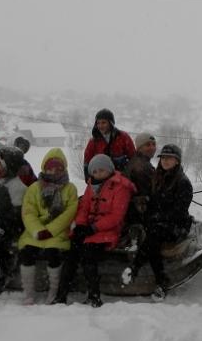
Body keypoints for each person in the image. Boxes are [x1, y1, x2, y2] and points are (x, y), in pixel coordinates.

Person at [60, 154, 135, 307]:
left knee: (88, 254)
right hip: (89, 229)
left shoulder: (121, 186)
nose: (98, 174)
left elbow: (116, 216)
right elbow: (84, 208)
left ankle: (94, 296)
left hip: (108, 230)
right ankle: (61, 294)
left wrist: (94, 227)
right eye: (94, 171)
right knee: (72, 252)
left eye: (101, 170)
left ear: (109, 170)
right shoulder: (91, 186)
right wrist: (80, 225)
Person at [122, 144, 193, 302]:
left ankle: (147, 273)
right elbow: (153, 203)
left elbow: (179, 212)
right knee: (143, 229)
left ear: (177, 161)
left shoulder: (183, 182)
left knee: (153, 236)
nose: (165, 161)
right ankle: (137, 267)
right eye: (163, 158)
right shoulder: (158, 178)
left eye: (170, 158)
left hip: (177, 225)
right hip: (159, 222)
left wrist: (155, 218)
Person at [17, 148, 78, 305]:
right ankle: (28, 292)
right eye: (50, 168)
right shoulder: (34, 188)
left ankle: (53, 290)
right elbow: (28, 212)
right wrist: (37, 230)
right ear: (44, 168)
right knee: (26, 253)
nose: (54, 171)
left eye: (58, 168)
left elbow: (69, 213)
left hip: (58, 232)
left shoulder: (70, 188)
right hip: (35, 231)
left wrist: (51, 230)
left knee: (53, 253)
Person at [0, 146, 28, 297]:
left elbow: (16, 215)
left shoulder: (17, 187)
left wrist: (2, 228)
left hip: (10, 230)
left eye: (0, 161)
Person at [123, 132, 157, 245]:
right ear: (139, 148)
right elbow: (150, 192)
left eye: (153, 144)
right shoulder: (141, 166)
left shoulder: (139, 161)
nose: (152, 147)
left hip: (135, 209)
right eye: (147, 145)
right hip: (138, 211)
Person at [83, 109, 136, 178]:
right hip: (101, 178)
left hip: (121, 177)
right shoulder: (93, 141)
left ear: (111, 123)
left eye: (103, 122)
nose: (100, 126)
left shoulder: (123, 137)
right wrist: (88, 178)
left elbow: (133, 157)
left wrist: (131, 174)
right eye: (98, 123)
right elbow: (87, 162)